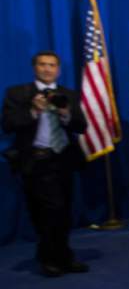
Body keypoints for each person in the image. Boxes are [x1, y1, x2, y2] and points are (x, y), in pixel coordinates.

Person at [2, 51, 88, 277]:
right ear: (34, 68)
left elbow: (81, 126)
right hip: (35, 161)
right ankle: (52, 259)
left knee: (64, 210)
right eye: (42, 65)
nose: (47, 69)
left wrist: (66, 113)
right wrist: (33, 110)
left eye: (52, 65)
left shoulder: (67, 94)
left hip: (63, 158)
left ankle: (61, 256)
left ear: (58, 69)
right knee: (49, 211)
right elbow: (9, 124)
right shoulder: (18, 93)